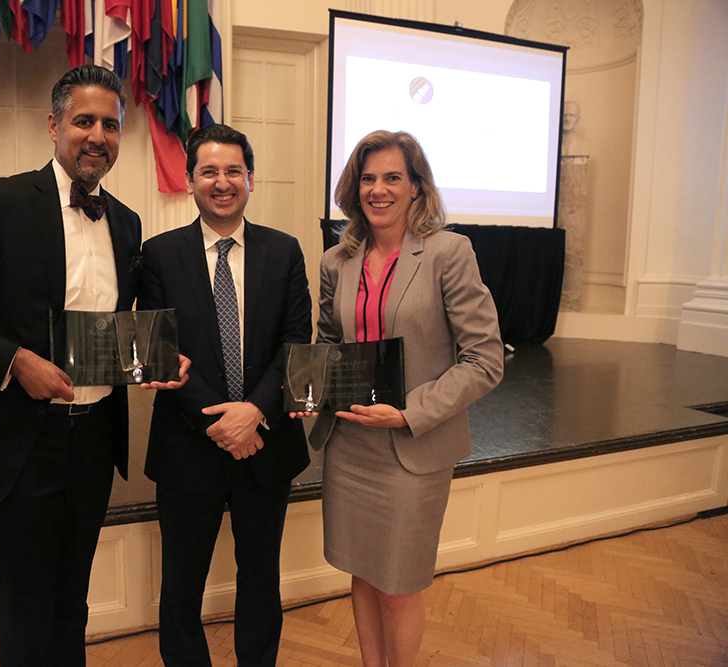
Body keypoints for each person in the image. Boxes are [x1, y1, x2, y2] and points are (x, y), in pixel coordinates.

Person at [0, 64, 186, 667]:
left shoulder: (127, 223)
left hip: (95, 439)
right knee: (26, 608)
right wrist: (12, 360)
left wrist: (153, 357)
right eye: (84, 121)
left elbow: (113, 323)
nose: (97, 136)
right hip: (18, 441)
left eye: (110, 124)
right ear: (54, 126)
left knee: (72, 598)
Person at [296, 130, 503, 666]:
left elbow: (485, 360)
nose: (379, 189)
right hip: (351, 443)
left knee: (399, 586)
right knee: (362, 574)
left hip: (412, 447)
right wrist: (309, 388)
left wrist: (409, 413)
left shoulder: (448, 252)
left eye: (393, 178)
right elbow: (331, 344)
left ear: (416, 187)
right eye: (369, 178)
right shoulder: (336, 261)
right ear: (354, 186)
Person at [138, 123, 313, 667]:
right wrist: (222, 422)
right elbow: (160, 352)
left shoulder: (284, 252)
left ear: (251, 180)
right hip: (189, 447)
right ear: (189, 181)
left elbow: (296, 343)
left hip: (267, 444)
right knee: (181, 587)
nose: (222, 182)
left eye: (233, 171)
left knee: (261, 580)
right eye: (208, 171)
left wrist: (255, 412)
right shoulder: (160, 254)